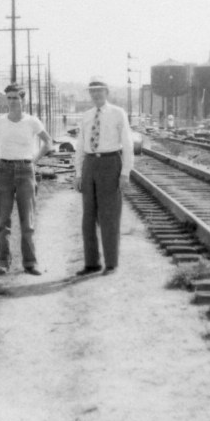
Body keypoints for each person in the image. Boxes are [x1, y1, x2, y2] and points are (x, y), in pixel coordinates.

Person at [0, 83, 52, 276]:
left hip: (25, 171)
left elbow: (48, 142)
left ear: (23, 100)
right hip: (4, 171)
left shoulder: (32, 121)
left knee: (27, 222)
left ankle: (30, 263)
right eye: (9, 98)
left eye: (16, 98)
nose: (12, 101)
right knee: (3, 221)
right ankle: (3, 263)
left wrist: (34, 160)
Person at [73, 75, 135, 276]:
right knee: (88, 217)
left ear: (107, 92)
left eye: (99, 90)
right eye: (92, 91)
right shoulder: (86, 115)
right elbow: (80, 145)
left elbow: (127, 144)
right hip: (90, 163)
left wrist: (125, 173)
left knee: (109, 215)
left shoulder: (118, 113)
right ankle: (92, 263)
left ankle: (111, 263)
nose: (96, 94)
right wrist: (78, 173)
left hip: (110, 163)